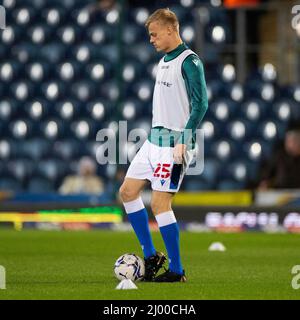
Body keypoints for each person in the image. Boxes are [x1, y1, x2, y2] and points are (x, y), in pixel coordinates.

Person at [119, 8, 208, 282]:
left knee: (159, 205)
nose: (151, 39)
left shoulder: (189, 61)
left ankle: (177, 270)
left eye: (154, 34)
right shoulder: (164, 61)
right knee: (127, 191)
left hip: (174, 144)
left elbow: (200, 103)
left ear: (171, 29)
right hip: (153, 140)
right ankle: (150, 255)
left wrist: (186, 137)